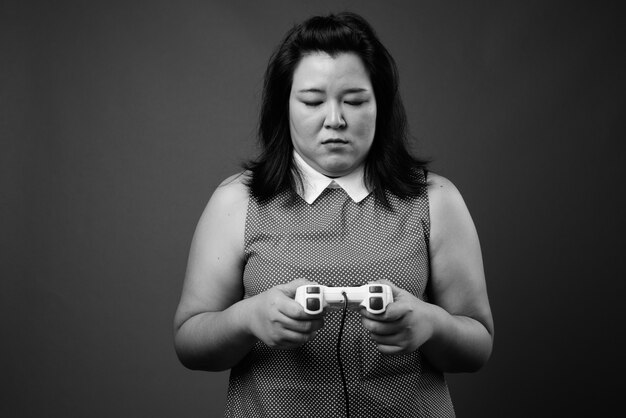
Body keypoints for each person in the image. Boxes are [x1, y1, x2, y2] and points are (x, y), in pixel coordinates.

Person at [174, 11, 493, 417]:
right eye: (312, 101)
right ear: (284, 105)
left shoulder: (436, 199)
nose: (335, 120)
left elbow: (478, 345)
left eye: (355, 101)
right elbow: (189, 342)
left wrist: (431, 324)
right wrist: (247, 319)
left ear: (380, 105)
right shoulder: (237, 201)